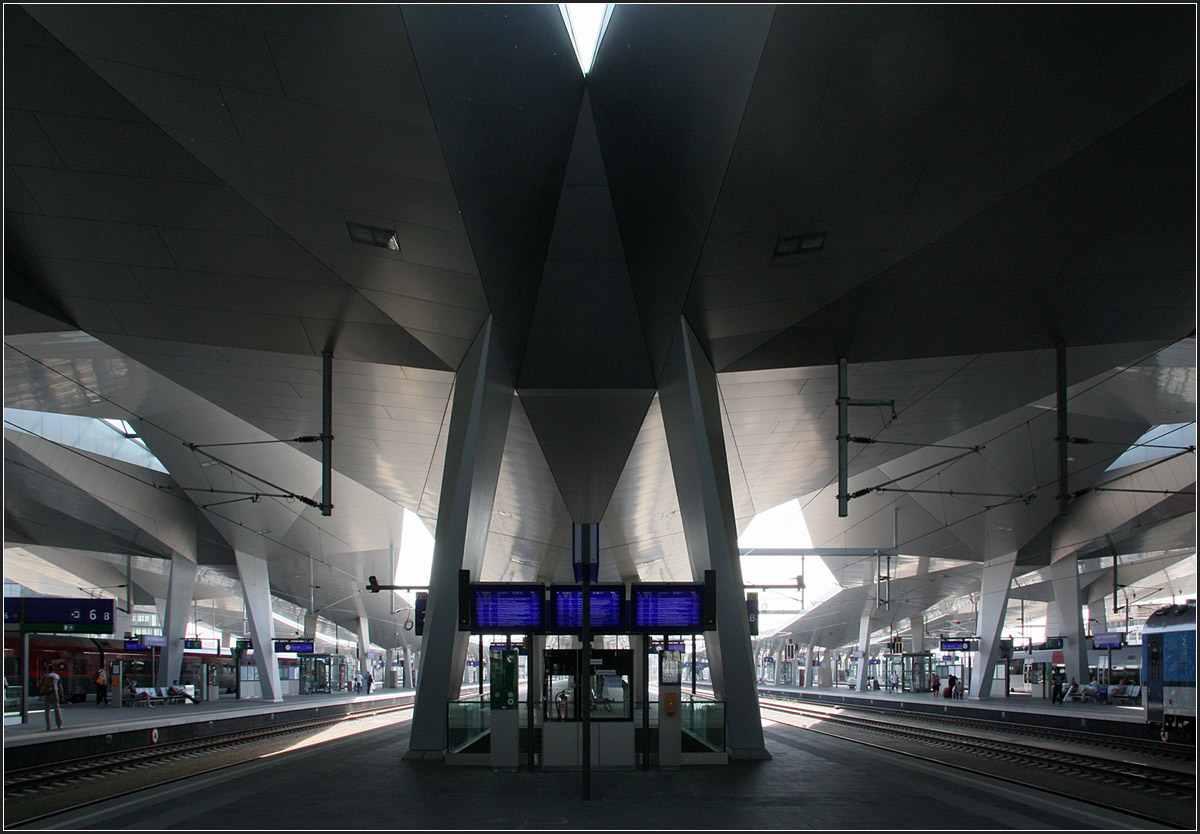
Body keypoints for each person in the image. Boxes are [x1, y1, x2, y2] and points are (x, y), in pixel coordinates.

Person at [40, 664, 64, 730]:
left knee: (47, 710)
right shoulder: (56, 676)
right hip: (54, 693)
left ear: (48, 669)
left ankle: (48, 725)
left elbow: (40, 684)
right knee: (57, 708)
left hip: (47, 694)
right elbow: (60, 687)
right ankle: (59, 724)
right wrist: (61, 695)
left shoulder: (45, 676)